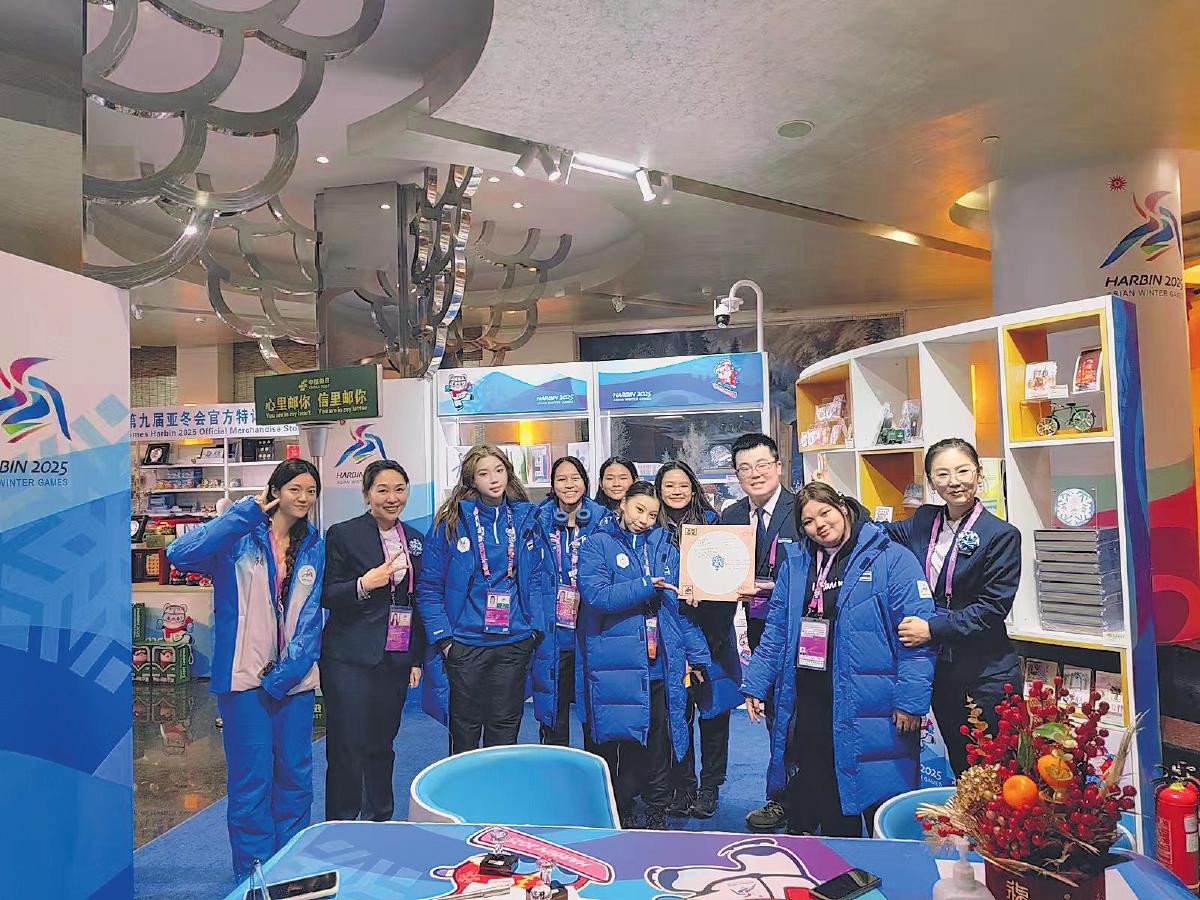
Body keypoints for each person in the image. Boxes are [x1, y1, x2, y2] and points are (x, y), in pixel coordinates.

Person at [741, 483, 936, 837]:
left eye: (825, 513)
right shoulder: (796, 565)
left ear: (843, 507)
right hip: (811, 699)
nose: (819, 525)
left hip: (873, 704)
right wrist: (756, 683)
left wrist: (910, 701)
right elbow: (776, 632)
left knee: (882, 804)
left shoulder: (891, 558)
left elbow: (917, 638)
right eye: (808, 521)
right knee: (828, 799)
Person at [166, 459, 324, 878]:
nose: (304, 498)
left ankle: (289, 870)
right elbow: (178, 554)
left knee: (295, 780)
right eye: (295, 489)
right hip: (243, 681)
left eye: (311, 491)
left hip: (293, 683)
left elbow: (311, 617)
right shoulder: (237, 538)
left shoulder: (314, 544)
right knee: (252, 783)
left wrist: (285, 675)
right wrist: (243, 513)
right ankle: (254, 876)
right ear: (275, 491)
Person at [881, 437, 1022, 776]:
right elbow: (880, 532)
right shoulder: (924, 520)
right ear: (931, 482)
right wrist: (838, 512)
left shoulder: (1001, 534)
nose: (954, 481)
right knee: (963, 767)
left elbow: (992, 609)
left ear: (979, 474)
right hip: (941, 670)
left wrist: (931, 629)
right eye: (942, 474)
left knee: (995, 772)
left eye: (963, 471)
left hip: (985, 673)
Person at [577, 481, 712, 830]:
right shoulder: (597, 543)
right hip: (617, 662)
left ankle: (657, 808)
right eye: (639, 510)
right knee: (623, 740)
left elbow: (680, 610)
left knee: (659, 740)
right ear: (622, 503)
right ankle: (621, 806)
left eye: (652, 514)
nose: (644, 520)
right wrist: (645, 585)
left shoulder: (665, 544)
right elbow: (596, 596)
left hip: (660, 662)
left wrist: (697, 655)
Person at [415, 444, 547, 754]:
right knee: (464, 733)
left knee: (505, 731)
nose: (494, 478)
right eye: (484, 473)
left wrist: (533, 630)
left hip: (514, 642)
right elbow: (429, 586)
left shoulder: (526, 518)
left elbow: (538, 579)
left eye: (499, 470)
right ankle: (466, 789)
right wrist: (445, 640)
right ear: (471, 480)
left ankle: (498, 786)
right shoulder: (450, 522)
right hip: (466, 643)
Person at [320, 460, 425, 822]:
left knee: (382, 743)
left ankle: (380, 818)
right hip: (348, 656)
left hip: (395, 656)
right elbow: (327, 594)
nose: (392, 498)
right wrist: (364, 584)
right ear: (367, 495)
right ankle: (342, 823)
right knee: (347, 745)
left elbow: (416, 601)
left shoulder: (415, 539)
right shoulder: (343, 534)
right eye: (382, 490)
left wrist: (415, 657)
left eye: (399, 489)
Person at [721, 432, 799, 830]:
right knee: (773, 715)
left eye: (762, 465)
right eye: (745, 468)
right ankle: (782, 798)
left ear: (778, 466)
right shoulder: (731, 516)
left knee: (805, 715)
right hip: (757, 628)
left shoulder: (802, 509)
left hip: (803, 631)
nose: (755, 474)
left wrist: (770, 586)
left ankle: (813, 798)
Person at [656, 461, 742, 820]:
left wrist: (711, 641)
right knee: (677, 714)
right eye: (669, 486)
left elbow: (729, 584)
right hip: (670, 639)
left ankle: (710, 788)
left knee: (713, 714)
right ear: (659, 490)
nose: (676, 491)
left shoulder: (713, 525)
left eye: (683, 485)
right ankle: (683, 785)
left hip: (712, 634)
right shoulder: (653, 529)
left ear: (693, 488)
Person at [530, 456, 611, 746]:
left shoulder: (603, 520)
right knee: (553, 712)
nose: (569, 485)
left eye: (575, 478)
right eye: (561, 479)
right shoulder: (537, 520)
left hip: (591, 630)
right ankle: (556, 770)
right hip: (552, 633)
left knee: (595, 713)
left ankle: (594, 769)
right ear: (552, 485)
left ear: (585, 483)